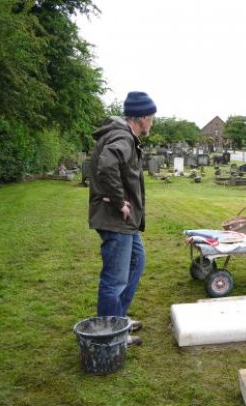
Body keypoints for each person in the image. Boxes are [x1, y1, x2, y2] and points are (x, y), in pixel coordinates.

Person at [88, 91, 157, 346]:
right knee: (114, 279)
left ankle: (118, 319)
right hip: (116, 220)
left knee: (137, 262)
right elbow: (106, 166)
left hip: (125, 223)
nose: (152, 123)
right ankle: (109, 335)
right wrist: (120, 202)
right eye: (151, 117)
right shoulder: (122, 136)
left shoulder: (125, 136)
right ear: (141, 118)